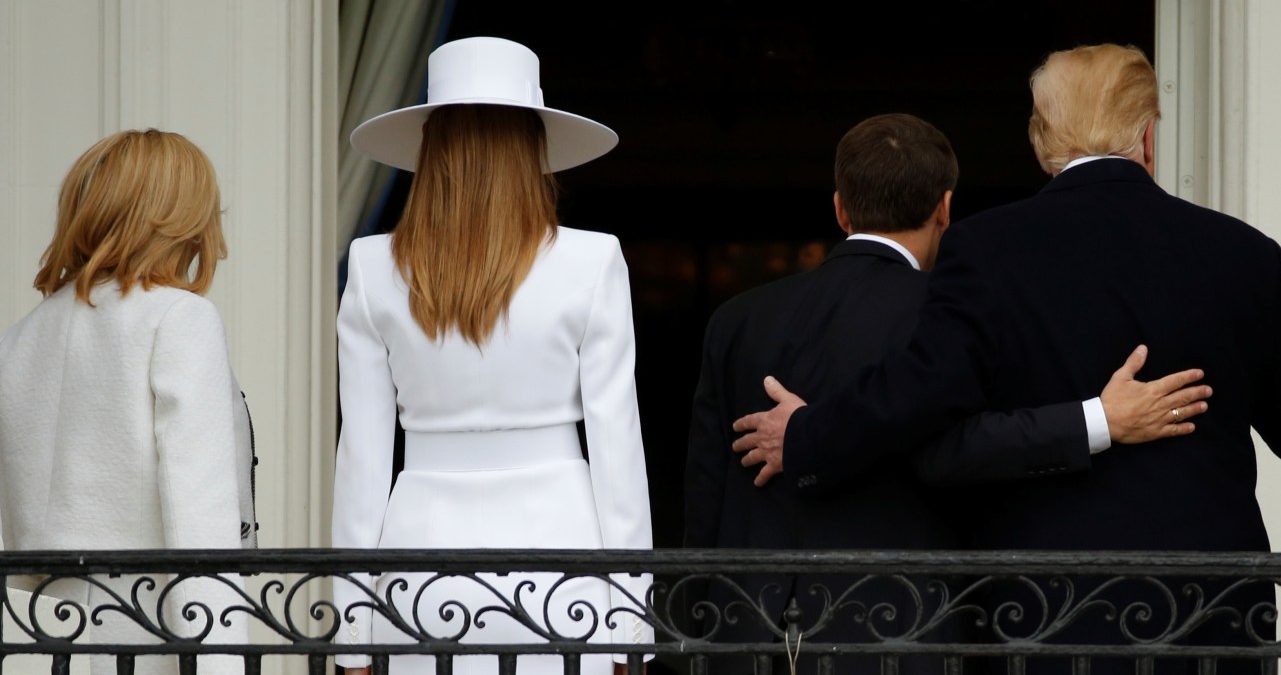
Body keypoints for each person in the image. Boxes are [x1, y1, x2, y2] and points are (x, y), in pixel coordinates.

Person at [733, 44, 1281, 671]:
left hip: (1046, 616)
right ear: (1149, 137)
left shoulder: (986, 248)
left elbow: (920, 398)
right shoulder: (1242, 254)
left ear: (1042, 143)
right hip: (1212, 617)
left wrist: (807, 434)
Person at [686, 112, 1210, 674]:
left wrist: (690, 633)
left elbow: (705, 490)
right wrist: (1101, 419)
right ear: (945, 207)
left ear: (840, 207)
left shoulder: (736, 319)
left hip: (745, 632)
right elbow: (967, 447)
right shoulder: (952, 313)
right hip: (900, 632)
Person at [332, 37, 653, 675]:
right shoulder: (594, 261)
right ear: (533, 147)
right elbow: (618, 454)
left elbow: (363, 465)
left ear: (431, 149)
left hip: (420, 561)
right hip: (562, 563)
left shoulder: (372, 267)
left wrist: (352, 631)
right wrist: (630, 622)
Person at [0, 129, 256, 675]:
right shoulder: (178, 319)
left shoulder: (18, 341)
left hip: (39, 640)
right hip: (147, 634)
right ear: (179, 219)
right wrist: (224, 662)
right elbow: (199, 509)